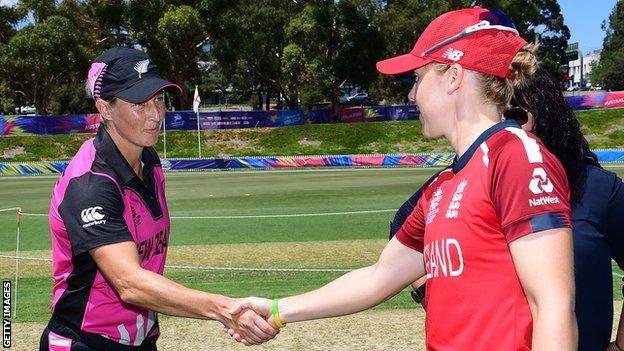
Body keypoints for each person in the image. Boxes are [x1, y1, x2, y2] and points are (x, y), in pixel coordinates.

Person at [229, 7, 578, 350]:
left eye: (418, 79)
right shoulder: (442, 185)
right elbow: (378, 276)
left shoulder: (516, 158)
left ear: (454, 77)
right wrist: (276, 310)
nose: (412, 95)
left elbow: (553, 306)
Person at [40, 47, 278, 350]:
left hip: (143, 338)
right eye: (139, 103)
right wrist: (224, 309)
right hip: (84, 341)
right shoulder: (91, 184)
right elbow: (130, 284)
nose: (155, 115)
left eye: (159, 100)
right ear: (105, 108)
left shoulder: (149, 161)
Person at [390, 68, 624, 351]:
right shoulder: (462, 181)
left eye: (514, 116)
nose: (501, 126)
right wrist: (430, 293)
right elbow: (401, 231)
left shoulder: (599, 189)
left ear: (549, 116)